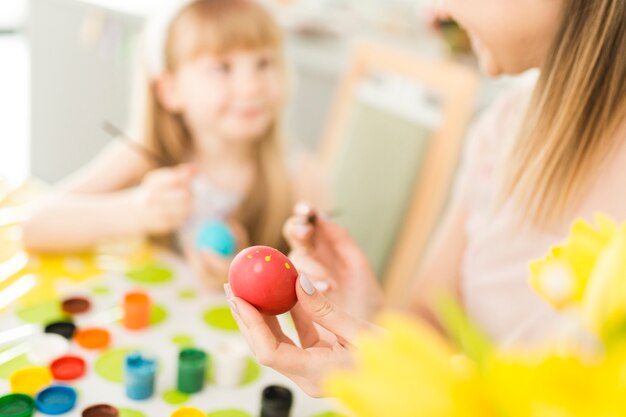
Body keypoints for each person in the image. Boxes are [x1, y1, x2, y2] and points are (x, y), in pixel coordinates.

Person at [226, 0, 626, 396]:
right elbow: (431, 322)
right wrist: (365, 322)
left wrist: (392, 378)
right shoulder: (502, 130)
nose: (435, 7)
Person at [23, 0, 324, 289]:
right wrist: (136, 211)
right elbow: (35, 225)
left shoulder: (300, 174)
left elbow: (323, 288)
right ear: (170, 89)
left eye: (264, 63)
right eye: (222, 67)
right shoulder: (144, 153)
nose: (251, 86)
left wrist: (247, 274)